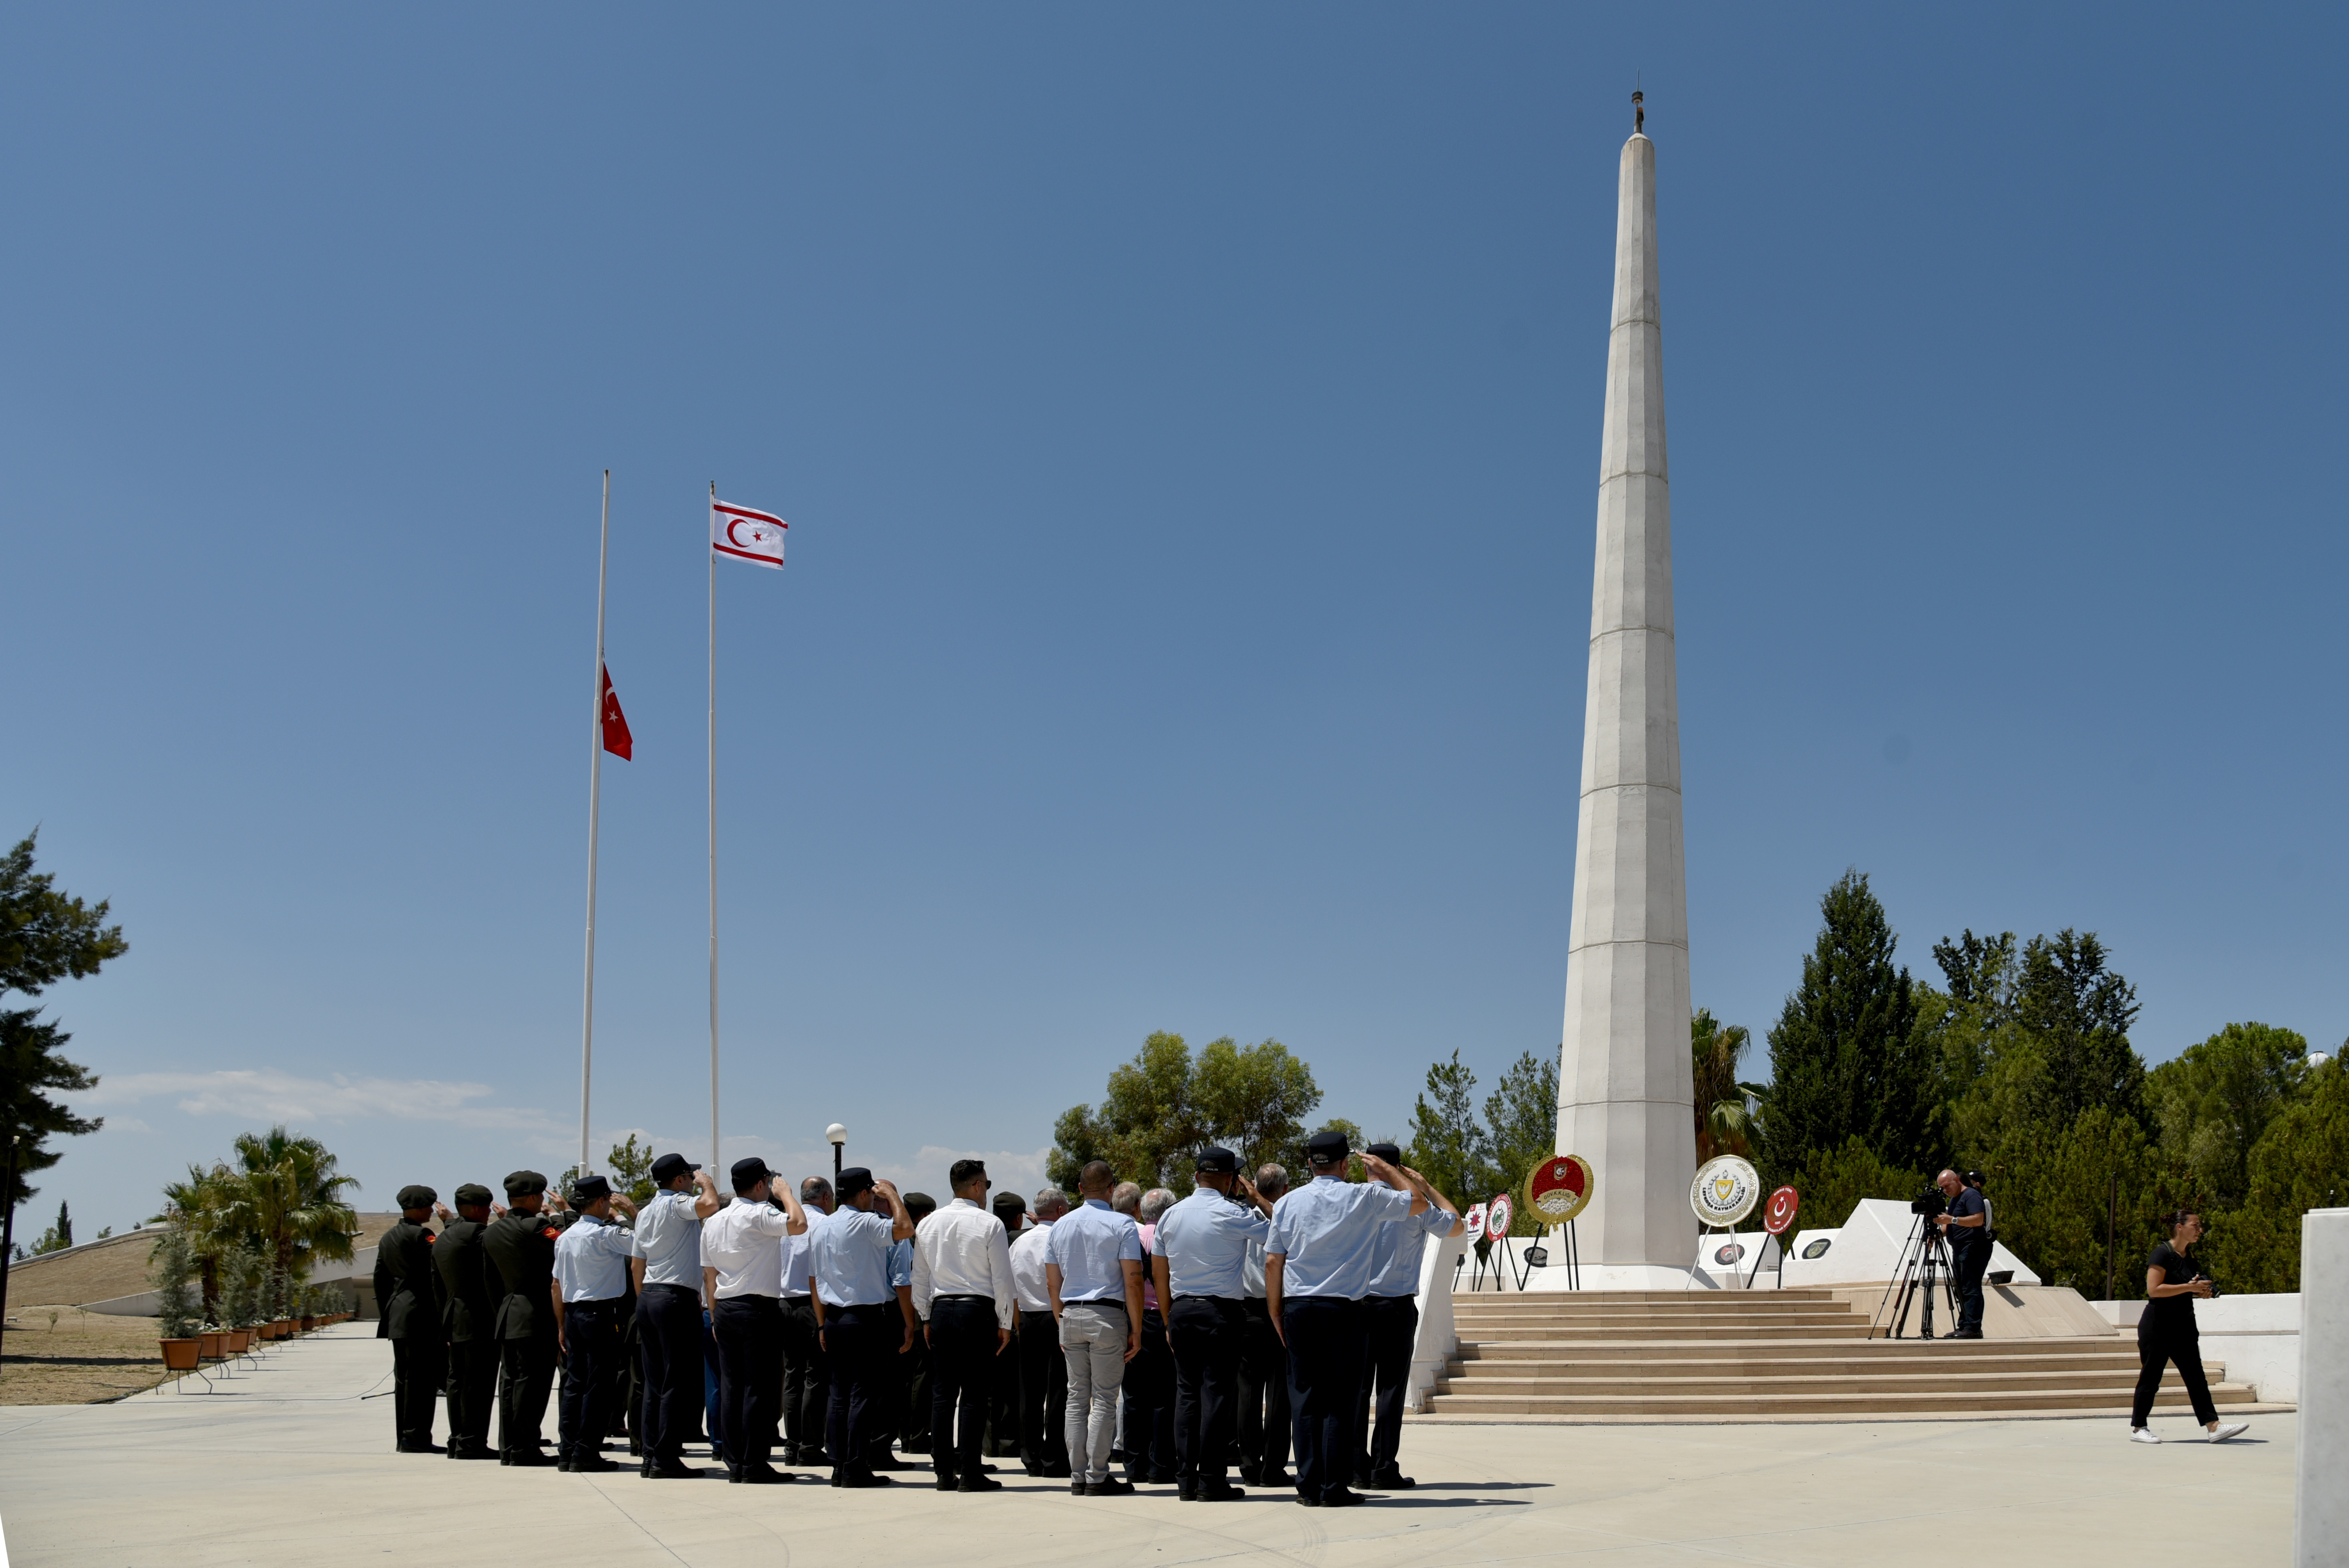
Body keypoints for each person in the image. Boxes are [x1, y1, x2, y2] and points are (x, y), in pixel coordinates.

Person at [1265, 1130, 1426, 1508]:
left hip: (1298, 1308)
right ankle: (1333, 1486)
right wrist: (1388, 1168)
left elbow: (1274, 1259)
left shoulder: (1288, 1202)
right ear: (1345, 1164)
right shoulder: (1364, 1196)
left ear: (1309, 1163)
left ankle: (1308, 1486)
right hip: (1343, 1310)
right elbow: (1418, 1201)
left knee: (1304, 1399)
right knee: (1340, 1401)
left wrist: (1275, 1309)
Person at [1153, 1147, 1274, 1501]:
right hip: (1220, 1312)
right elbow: (1281, 1231)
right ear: (1231, 1180)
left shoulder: (1170, 1216)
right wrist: (1257, 1197)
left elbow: (1160, 1271)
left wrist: (1167, 1318)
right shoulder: (1233, 1212)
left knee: (1187, 1396)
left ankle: (1186, 1482)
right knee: (1217, 1395)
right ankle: (1211, 1480)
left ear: (1196, 1177)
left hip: (1181, 1310)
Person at [1351, 1143, 1461, 1490]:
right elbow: (1456, 1225)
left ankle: (1355, 1468)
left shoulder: (1351, 1199)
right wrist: (1426, 1186)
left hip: (1356, 1306)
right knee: (1390, 1390)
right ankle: (1384, 1468)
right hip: (1396, 1306)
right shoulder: (1417, 1208)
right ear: (1398, 1168)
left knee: (1357, 1390)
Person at [699, 1156, 810, 1483]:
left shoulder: (715, 1221)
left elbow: (710, 1275)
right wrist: (788, 1193)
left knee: (732, 1388)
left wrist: (715, 1315)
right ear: (761, 1184)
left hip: (726, 1307)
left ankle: (736, 1461)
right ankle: (754, 1464)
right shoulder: (759, 1213)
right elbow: (799, 1224)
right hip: (757, 1308)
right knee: (758, 1390)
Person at [912, 1158, 1018, 1493]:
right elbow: (1002, 1279)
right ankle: (970, 1471)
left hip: (942, 1309)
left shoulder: (928, 1225)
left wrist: (926, 1317)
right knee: (974, 1395)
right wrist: (1006, 1322)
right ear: (976, 1186)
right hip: (978, 1310)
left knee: (943, 1395)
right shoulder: (989, 1224)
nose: (986, 1191)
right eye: (985, 1185)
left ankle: (944, 1471)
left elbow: (920, 1279)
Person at [810, 1166, 917, 1488]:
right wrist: (893, 1196)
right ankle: (856, 1466)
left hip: (833, 1318)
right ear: (862, 1193)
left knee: (838, 1395)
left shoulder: (823, 1227)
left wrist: (820, 1325)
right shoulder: (867, 1222)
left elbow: (814, 1280)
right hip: (864, 1318)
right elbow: (905, 1229)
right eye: (870, 1192)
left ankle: (839, 1464)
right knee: (862, 1395)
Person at [1046, 1160, 1147, 1497]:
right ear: (1111, 1189)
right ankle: (1097, 1475)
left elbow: (1052, 1282)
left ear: (1078, 1189)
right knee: (1104, 1399)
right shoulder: (1122, 1224)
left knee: (1077, 1398)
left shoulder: (1060, 1226)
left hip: (1070, 1315)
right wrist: (1137, 1328)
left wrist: (1061, 1320)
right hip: (1107, 1315)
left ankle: (1078, 1475)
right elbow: (1133, 1279)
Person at [629, 1153, 721, 1479]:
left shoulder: (644, 1213)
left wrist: (646, 1301)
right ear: (681, 1180)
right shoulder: (677, 1203)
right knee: (676, 1382)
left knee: (655, 1383)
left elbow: (636, 1264)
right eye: (689, 1176)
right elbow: (709, 1206)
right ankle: (666, 1458)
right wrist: (707, 1184)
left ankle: (650, 1454)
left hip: (650, 1296)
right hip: (674, 1297)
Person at [2130, 1211, 2250, 1445]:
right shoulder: (2162, 1253)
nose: (2200, 1230)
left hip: (2183, 1324)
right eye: (2195, 1225)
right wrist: (2187, 1288)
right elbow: (2154, 1290)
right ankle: (2138, 1428)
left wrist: (2203, 1291)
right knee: (2151, 1377)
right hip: (2158, 1325)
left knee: (2196, 1377)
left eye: (2200, 1226)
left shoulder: (2190, 1258)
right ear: (2179, 1227)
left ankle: (2213, 1427)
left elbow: (2189, 1289)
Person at [551, 1175, 639, 1472]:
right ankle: (586, 1452)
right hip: (600, 1315)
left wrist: (562, 1325)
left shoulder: (565, 1237)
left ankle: (568, 1449)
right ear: (602, 1201)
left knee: (575, 1384)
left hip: (574, 1313)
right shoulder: (606, 1234)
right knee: (599, 1386)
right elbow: (646, 1243)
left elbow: (556, 1285)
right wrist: (629, 1213)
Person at [481, 1171, 562, 1465]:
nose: (541, 1201)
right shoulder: (536, 1227)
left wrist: (501, 1311)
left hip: (508, 1312)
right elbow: (564, 1246)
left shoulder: (492, 1232)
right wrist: (559, 1215)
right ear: (531, 1198)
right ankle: (525, 1448)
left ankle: (509, 1447)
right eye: (539, 1196)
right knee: (534, 1385)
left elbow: (490, 1281)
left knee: (509, 1384)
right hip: (535, 1313)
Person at [374, 1185, 446, 1454]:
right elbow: (439, 1268)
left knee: (404, 1380)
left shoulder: (389, 1237)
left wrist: (389, 1313)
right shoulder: (422, 1235)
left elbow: (380, 1279)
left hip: (399, 1314)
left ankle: (404, 1437)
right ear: (418, 1208)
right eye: (428, 1206)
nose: (431, 1211)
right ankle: (416, 1438)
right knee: (422, 1381)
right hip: (420, 1314)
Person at [434, 1184, 501, 1461]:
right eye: (486, 1208)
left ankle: (457, 1439)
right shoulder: (479, 1236)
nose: (488, 1214)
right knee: (478, 1383)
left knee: (457, 1382)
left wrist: (444, 1320)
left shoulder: (443, 1238)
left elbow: (436, 1285)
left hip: (453, 1316)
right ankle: (472, 1442)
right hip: (479, 1318)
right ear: (475, 1209)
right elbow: (491, 1279)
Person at [1237, 1164, 1293, 1489]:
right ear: (1284, 1190)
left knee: (1248, 1390)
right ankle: (1272, 1466)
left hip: (1248, 1310)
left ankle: (1249, 1464)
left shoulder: (1243, 1216)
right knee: (1278, 1393)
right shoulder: (1282, 1217)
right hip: (1276, 1309)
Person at [1009, 1187, 1071, 1478]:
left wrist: (1016, 1321)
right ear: (1060, 1211)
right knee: (1059, 1390)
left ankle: (1030, 1455)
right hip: (1056, 1316)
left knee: (1030, 1392)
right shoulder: (1061, 1238)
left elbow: (1010, 1286)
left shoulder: (1019, 1243)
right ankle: (1054, 1457)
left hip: (1027, 1318)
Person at [1121, 1188, 1179, 1484]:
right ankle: (1161, 1466)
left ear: (1142, 1211)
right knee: (1164, 1396)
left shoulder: (1130, 1236)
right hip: (1162, 1319)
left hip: (1133, 1320)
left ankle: (1133, 1465)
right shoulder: (1169, 1237)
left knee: (1133, 1396)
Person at [984, 1191, 1028, 1456]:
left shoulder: (988, 1236)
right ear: (1019, 1217)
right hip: (1012, 1321)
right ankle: (1010, 1442)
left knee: (989, 1387)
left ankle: (989, 1443)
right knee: (1013, 1387)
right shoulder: (1021, 1238)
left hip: (985, 1318)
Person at [1930, 1168, 1989, 1340]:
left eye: (1947, 1186)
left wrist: (1952, 1220)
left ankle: (1973, 1327)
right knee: (1961, 1288)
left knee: (1971, 1288)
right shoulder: (1955, 1200)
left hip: (1973, 1248)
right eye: (1942, 1188)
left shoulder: (1971, 1196)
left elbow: (1978, 1219)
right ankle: (1964, 1325)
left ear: (1957, 1180)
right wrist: (1936, 1236)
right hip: (1959, 1249)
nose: (1946, 1191)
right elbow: (1949, 1227)